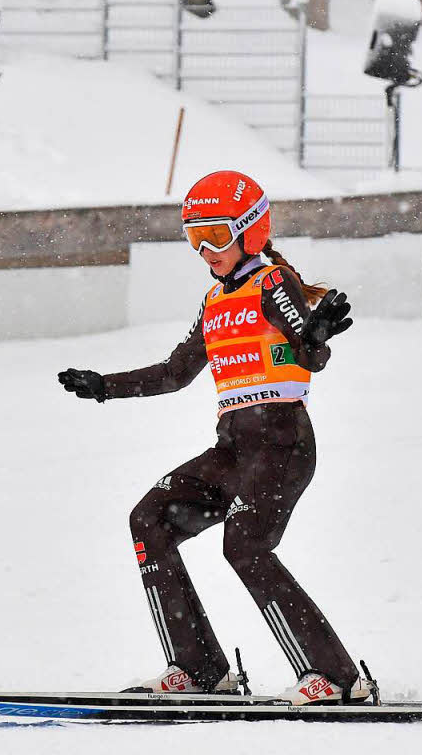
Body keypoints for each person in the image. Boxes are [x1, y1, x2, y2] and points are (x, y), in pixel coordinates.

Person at [57, 170, 369, 705]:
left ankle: (337, 679)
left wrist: (315, 335)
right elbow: (174, 373)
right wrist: (104, 387)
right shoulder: (213, 302)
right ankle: (199, 668)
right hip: (234, 450)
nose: (206, 251)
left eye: (216, 237)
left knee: (245, 545)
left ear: (250, 231)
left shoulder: (271, 284)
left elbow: (309, 353)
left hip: (282, 443)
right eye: (194, 238)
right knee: (149, 519)